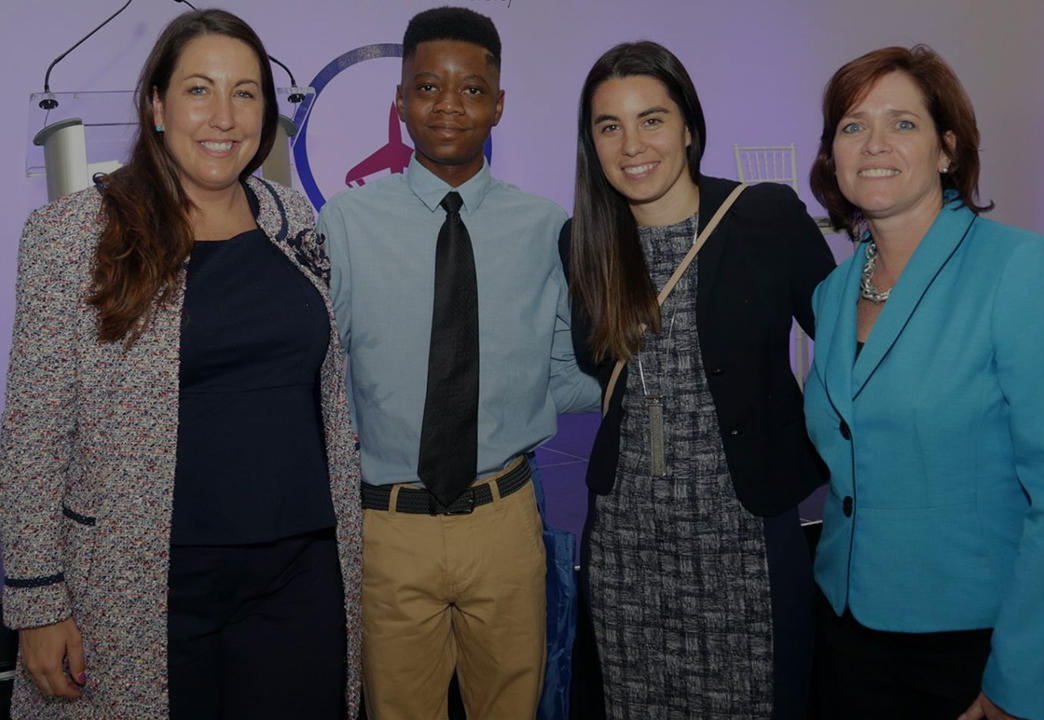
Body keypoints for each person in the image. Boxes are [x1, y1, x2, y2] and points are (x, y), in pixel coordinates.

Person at [0, 10, 364, 719]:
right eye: (199, 89)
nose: (224, 116)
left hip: (298, 573)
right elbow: (33, 434)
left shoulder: (292, 219)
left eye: (245, 93)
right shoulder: (72, 233)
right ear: (158, 106)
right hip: (141, 580)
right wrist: (36, 602)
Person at [316, 7, 599, 720]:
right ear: (401, 101)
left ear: (498, 104)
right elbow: (320, 374)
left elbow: (563, 371)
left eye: (472, 89)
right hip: (389, 529)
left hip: (505, 522)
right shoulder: (344, 225)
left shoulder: (545, 229)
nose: (449, 105)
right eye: (428, 87)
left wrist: (641, 379)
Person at [560, 41, 835, 719]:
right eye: (609, 126)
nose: (632, 145)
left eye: (651, 119)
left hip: (742, 532)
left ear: (688, 126)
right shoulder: (583, 241)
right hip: (628, 540)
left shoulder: (764, 216)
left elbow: (845, 351)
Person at [805, 45, 1044, 720]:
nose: (874, 143)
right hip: (846, 634)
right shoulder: (832, 294)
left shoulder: (1024, 269)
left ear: (948, 151)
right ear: (833, 157)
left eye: (902, 123)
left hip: (976, 647)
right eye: (853, 125)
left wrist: (1023, 682)